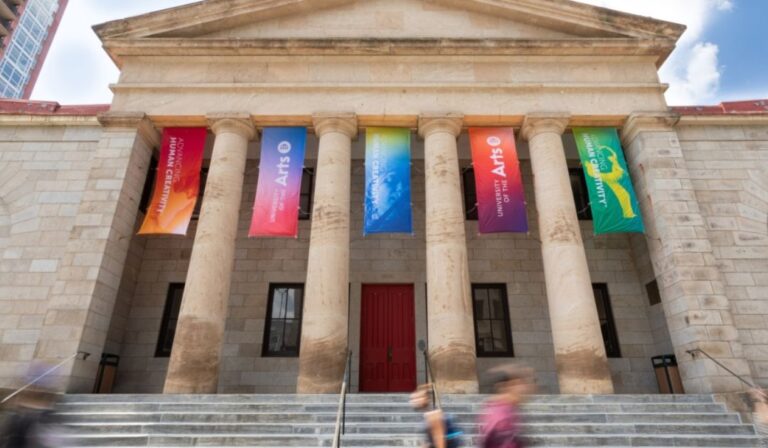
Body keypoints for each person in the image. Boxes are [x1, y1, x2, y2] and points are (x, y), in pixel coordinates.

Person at [478, 365, 535, 448]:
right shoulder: (498, 407)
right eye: (516, 384)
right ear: (506, 386)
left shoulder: (508, 405)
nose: (522, 388)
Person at [409, 384, 463, 448]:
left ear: (426, 399)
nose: (414, 401)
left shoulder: (433, 416)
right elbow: (430, 441)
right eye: (413, 399)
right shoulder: (426, 415)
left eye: (418, 398)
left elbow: (440, 443)